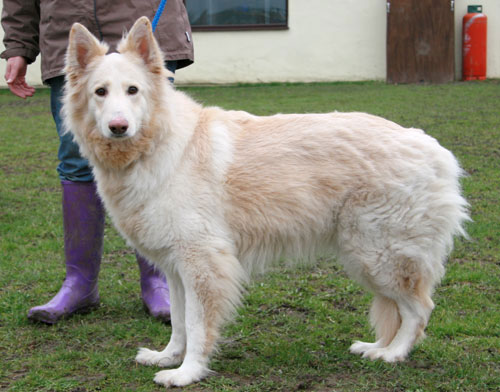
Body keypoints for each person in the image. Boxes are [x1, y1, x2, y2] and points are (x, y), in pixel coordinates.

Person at [1, 0, 194, 324]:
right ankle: (79, 283)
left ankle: (158, 281)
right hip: (67, 28)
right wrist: (19, 44)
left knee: (154, 155)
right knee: (76, 160)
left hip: (145, 20)